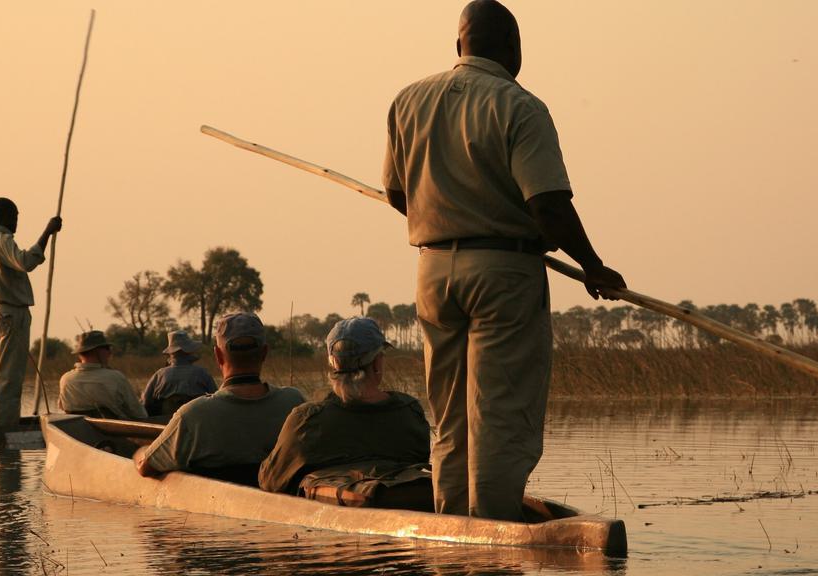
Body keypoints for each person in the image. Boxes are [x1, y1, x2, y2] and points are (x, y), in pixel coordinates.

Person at [381, 0, 628, 520]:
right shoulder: (520, 106)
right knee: (498, 414)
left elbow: (396, 195)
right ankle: (491, 530)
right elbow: (548, 205)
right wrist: (592, 266)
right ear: (515, 51)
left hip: (432, 269)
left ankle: (451, 528)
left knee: (448, 416)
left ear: (458, 47)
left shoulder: (408, 100)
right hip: (502, 273)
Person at [259, 318, 430, 495]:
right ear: (377, 364)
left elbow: (270, 481)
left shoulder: (307, 421)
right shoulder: (410, 412)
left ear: (333, 364)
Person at [134, 312, 305, 484]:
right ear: (264, 353)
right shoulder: (295, 405)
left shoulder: (193, 415)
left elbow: (145, 467)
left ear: (218, 356)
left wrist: (140, 452)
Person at [0, 197, 62, 427]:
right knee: (11, 374)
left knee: (5, 370)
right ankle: (1, 426)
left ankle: (0, 420)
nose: (17, 222)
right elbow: (26, 262)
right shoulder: (2, 240)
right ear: (6, 216)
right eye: (16, 216)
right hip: (11, 313)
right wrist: (47, 232)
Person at [57, 330, 147, 420]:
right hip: (113, 432)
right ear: (99, 351)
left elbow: (62, 407)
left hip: (77, 431)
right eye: (107, 348)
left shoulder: (65, 379)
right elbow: (139, 414)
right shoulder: (116, 378)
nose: (110, 353)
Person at [140, 330, 218, 417]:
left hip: (165, 424)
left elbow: (145, 402)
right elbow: (216, 398)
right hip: (196, 421)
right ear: (188, 352)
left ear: (171, 354)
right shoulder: (202, 373)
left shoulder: (159, 375)